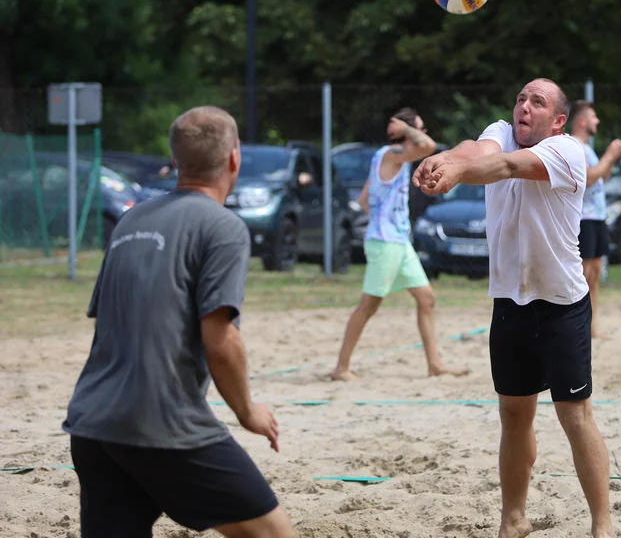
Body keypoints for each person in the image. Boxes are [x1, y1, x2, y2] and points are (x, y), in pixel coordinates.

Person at [62, 106, 293, 538]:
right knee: (274, 534)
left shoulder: (132, 220)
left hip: (93, 424)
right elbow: (220, 338)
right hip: (163, 424)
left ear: (176, 159)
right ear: (234, 159)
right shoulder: (223, 227)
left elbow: (110, 323)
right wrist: (247, 411)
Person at [413, 79, 615, 538]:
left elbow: (504, 166)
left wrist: (459, 173)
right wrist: (444, 159)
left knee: (574, 414)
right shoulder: (502, 131)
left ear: (559, 121)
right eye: (521, 98)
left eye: (537, 102)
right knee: (514, 414)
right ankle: (514, 521)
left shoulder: (566, 154)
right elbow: (476, 148)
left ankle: (602, 526)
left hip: (561, 305)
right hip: (510, 303)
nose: (524, 106)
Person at [331, 108, 468, 381]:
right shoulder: (391, 155)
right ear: (407, 132)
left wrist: (385, 218)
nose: (424, 133)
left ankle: (435, 365)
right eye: (420, 127)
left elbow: (364, 199)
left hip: (397, 241)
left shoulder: (389, 159)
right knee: (368, 305)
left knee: (426, 298)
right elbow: (427, 146)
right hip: (386, 243)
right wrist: (405, 129)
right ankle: (341, 368)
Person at [567, 100, 621, 339]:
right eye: (593, 117)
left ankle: (591, 328)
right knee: (584, 275)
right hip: (584, 218)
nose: (597, 121)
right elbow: (590, 179)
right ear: (582, 121)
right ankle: (578, 328)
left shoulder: (588, 148)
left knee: (595, 274)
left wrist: (610, 159)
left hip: (597, 217)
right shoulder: (575, 146)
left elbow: (602, 175)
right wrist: (609, 155)